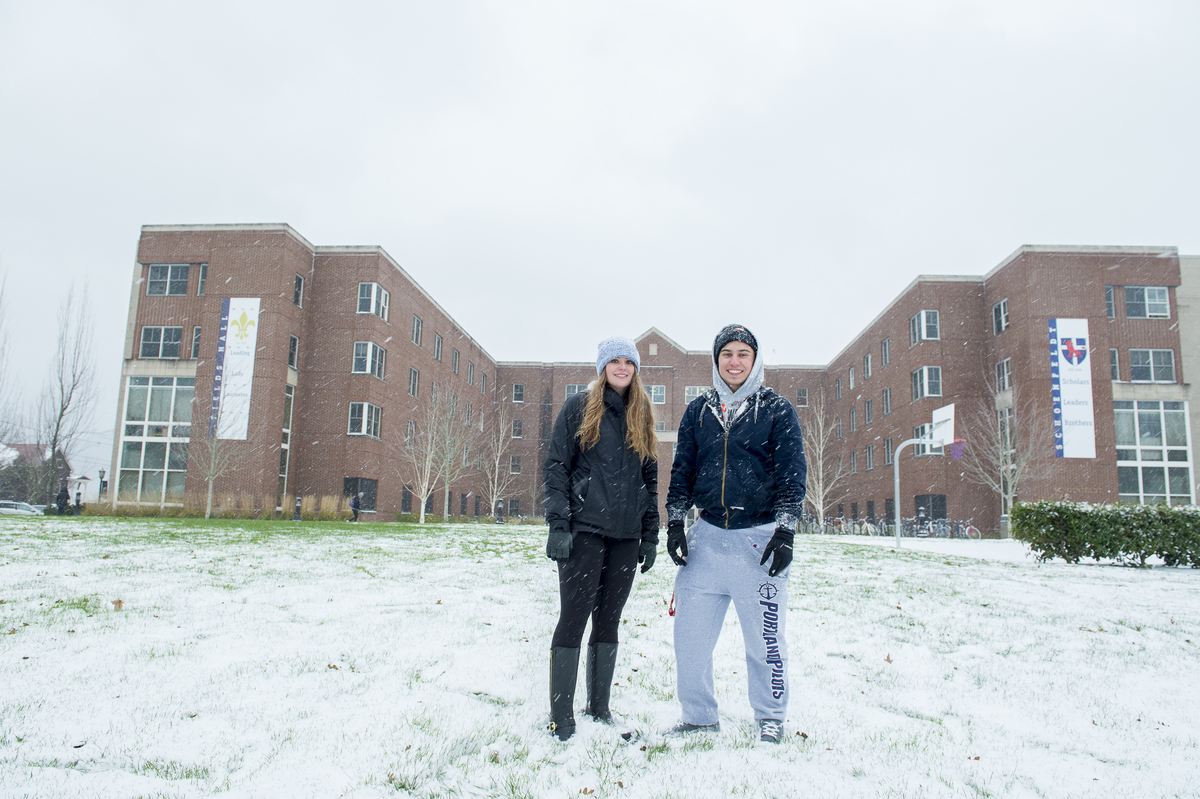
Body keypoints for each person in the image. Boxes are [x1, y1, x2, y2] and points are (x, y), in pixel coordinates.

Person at [665, 324, 807, 744]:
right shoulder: (698, 411)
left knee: (765, 642)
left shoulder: (776, 410)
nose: (734, 361)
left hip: (758, 542)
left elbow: (792, 474)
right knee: (689, 641)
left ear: (755, 360)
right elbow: (682, 471)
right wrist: (675, 520)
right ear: (716, 360)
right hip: (707, 539)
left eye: (743, 353)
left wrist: (785, 531)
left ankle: (770, 717)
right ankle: (698, 716)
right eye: (727, 353)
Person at [543, 336, 660, 741]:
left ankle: (599, 707)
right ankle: (561, 715)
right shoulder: (578, 407)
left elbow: (650, 478)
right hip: (585, 531)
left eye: (629, 361)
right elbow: (557, 465)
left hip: (626, 537)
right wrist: (558, 525)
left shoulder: (642, 414)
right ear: (603, 366)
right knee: (574, 618)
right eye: (615, 360)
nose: (623, 367)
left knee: (609, 620)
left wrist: (650, 535)